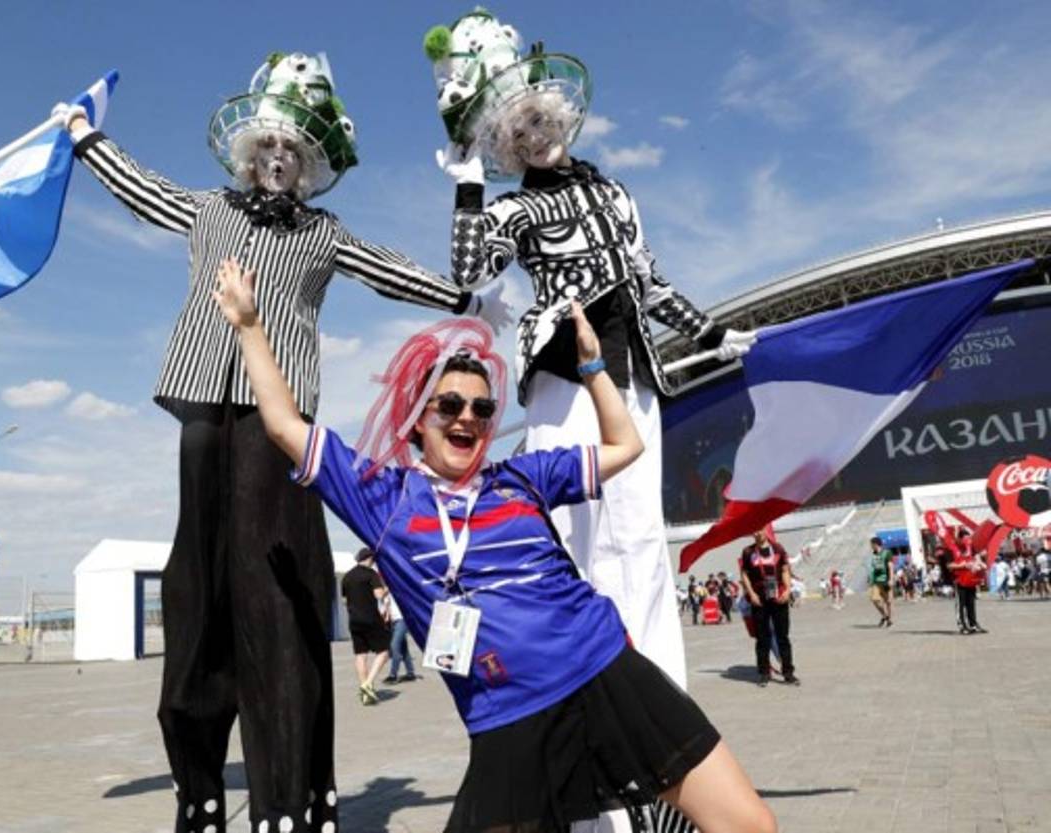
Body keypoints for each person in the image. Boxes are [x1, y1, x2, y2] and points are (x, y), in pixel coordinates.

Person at [55, 53, 512, 833]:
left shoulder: (323, 233)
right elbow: (148, 194)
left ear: (308, 166)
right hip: (204, 405)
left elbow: (389, 269)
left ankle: (290, 798)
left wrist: (464, 296)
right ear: (248, 152)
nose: (276, 160)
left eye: (293, 152)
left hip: (280, 420)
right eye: (267, 146)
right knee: (197, 594)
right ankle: (199, 789)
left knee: (273, 593)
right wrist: (84, 139)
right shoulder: (208, 210)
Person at [213, 259, 777, 833]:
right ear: (417, 421)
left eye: (482, 409)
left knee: (750, 826)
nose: (468, 418)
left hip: (608, 672)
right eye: (449, 405)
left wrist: (592, 367)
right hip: (508, 718)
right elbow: (284, 425)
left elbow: (624, 444)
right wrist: (250, 327)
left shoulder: (522, 477)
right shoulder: (383, 499)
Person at [426, 9, 755, 696]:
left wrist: (712, 334)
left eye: (538, 118)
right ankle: (596, 697)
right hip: (566, 381)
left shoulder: (615, 193)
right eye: (515, 130)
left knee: (640, 540)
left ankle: (664, 700)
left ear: (560, 117)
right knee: (581, 541)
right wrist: (466, 183)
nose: (533, 134)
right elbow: (467, 273)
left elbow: (649, 281)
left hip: (634, 379)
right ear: (505, 145)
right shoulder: (515, 210)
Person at [739, 529, 798, 687]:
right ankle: (764, 673)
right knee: (762, 638)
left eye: (761, 529)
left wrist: (787, 590)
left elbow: (785, 570)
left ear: (766, 529)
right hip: (759, 599)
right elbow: (744, 574)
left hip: (779, 597)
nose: (757, 533)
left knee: (782, 637)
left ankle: (788, 672)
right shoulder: (748, 552)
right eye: (755, 530)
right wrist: (752, 594)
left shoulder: (778, 548)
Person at [342, 548, 392, 704]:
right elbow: (379, 595)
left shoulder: (347, 576)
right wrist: (389, 588)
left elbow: (344, 601)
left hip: (354, 620)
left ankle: (365, 691)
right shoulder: (371, 574)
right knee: (384, 652)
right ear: (370, 559)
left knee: (360, 655)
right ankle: (368, 683)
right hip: (370, 618)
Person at [949, 530, 988, 634]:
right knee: (961, 604)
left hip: (971, 580)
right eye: (966, 538)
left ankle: (973, 624)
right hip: (959, 580)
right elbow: (949, 565)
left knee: (971, 603)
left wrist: (981, 564)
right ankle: (962, 626)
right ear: (960, 539)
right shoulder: (953, 549)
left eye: (969, 538)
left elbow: (976, 558)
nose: (968, 541)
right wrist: (963, 565)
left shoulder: (971, 548)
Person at [382, 577, 418, 684]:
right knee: (404, 648)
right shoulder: (385, 596)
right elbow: (385, 610)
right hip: (393, 623)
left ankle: (393, 675)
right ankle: (410, 673)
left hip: (402, 620)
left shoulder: (397, 590)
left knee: (394, 646)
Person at [868, 536, 895, 628]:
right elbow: (872, 568)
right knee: (874, 599)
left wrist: (891, 579)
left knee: (888, 601)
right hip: (876, 581)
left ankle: (890, 620)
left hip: (885, 580)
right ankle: (885, 616)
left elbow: (890, 566)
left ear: (875, 544)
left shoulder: (887, 553)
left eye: (871, 544)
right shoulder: (873, 554)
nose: (871, 546)